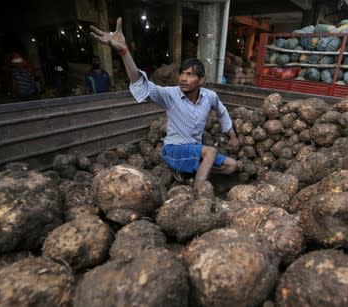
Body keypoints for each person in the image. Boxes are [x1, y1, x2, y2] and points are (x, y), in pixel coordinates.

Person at [90, 17, 239, 191]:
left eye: (190, 75)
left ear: (202, 80)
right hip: (173, 150)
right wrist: (124, 53)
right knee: (210, 152)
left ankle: (189, 173)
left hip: (194, 150)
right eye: (182, 74)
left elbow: (222, 112)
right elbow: (141, 84)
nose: (183, 78)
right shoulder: (170, 95)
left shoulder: (209, 96)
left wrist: (233, 136)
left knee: (232, 166)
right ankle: (199, 193)